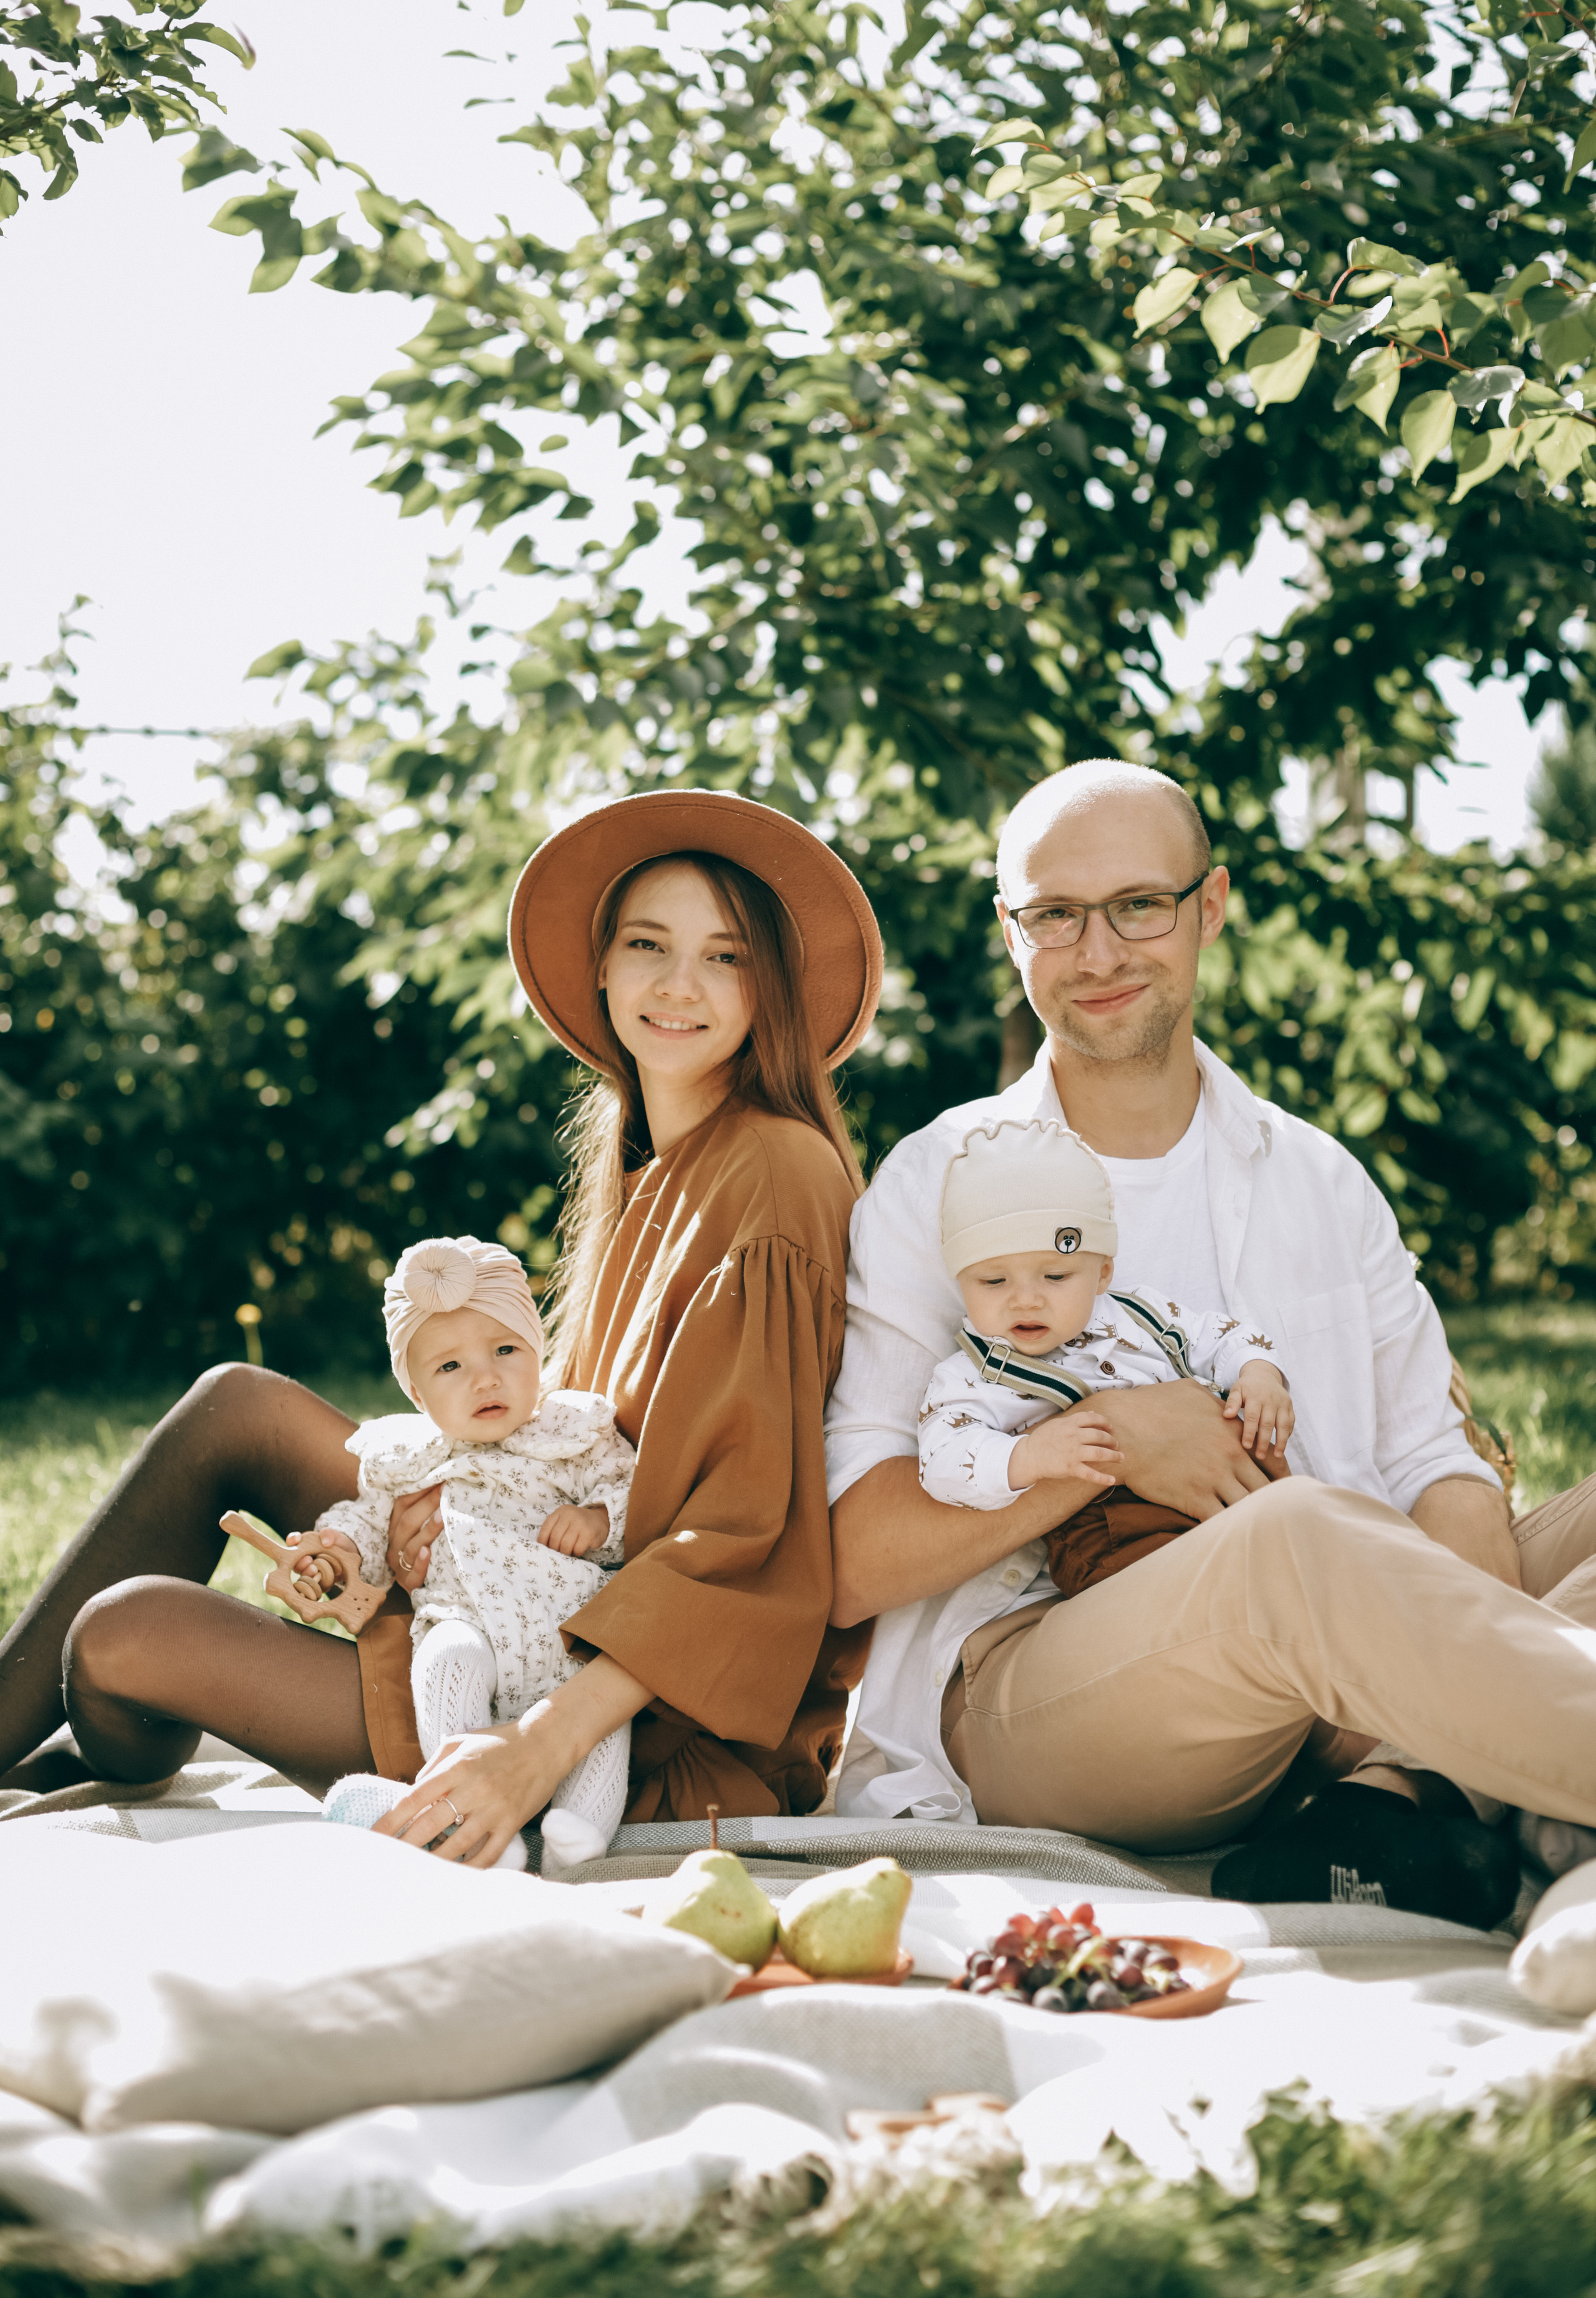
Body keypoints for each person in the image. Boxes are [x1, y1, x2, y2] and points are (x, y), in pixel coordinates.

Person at [0, 790, 881, 1868]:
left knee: (121, 1639)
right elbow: (568, 1431)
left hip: (632, 1718)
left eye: (725, 957)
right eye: (648, 943)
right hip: (527, 1580)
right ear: (602, 966)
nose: (678, 985)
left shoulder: (778, 1180)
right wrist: (409, 1517)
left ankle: (60, 1741)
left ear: (769, 989)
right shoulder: (653, 1169)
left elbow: (747, 1537)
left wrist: (529, 1752)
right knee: (241, 1405)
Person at [826, 758, 1596, 1929]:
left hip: (1337, 1667)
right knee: (1295, 1533)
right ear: (1009, 930)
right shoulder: (941, 1180)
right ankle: (1501, 1784)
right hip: (1046, 1695)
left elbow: (1439, 1471)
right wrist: (1106, 1447)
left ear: (1212, 907)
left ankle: (1409, 1801)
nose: (1098, 954)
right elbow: (854, 1558)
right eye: (1054, 916)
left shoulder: (1321, 1179)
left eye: (1140, 905)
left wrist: (1410, 1725)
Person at [303, 1234, 635, 1874]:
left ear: (538, 1354)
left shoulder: (573, 1433)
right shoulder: (409, 1457)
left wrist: (598, 1519)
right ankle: (470, 1822)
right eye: (449, 1367)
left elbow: (631, 1488)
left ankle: (584, 1831)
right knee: (443, 1664)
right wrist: (338, 1549)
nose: (485, 1377)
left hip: (568, 1631)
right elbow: (367, 1523)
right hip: (468, 1621)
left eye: (506, 1350)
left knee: (600, 1720)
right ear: (419, 1396)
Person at [919, 1117, 1292, 1596]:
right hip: (1114, 1528)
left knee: (1309, 1546)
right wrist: (1027, 1455)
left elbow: (1220, 1336)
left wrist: (1258, 1372)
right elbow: (940, 1461)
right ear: (962, 1281)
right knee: (1187, 1590)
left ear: (1102, 1273)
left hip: (1232, 1489)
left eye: (1055, 1277)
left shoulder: (1142, 1313)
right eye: (994, 1281)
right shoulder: (971, 1377)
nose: (1026, 1299)